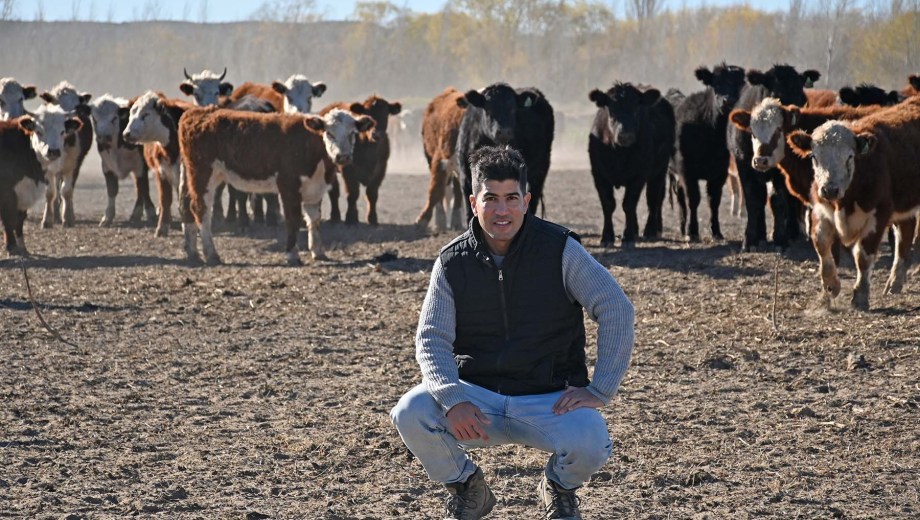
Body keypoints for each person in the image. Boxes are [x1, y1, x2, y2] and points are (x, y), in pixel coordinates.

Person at [390, 145, 635, 520]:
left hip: (548, 399)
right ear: (473, 202)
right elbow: (432, 337)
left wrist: (600, 389)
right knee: (410, 412)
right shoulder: (452, 261)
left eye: (511, 198)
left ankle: (559, 488)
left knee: (591, 442)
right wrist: (453, 398)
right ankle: (467, 487)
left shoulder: (560, 250)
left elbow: (616, 307)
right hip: (477, 401)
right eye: (490, 198)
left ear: (526, 201)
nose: (501, 210)